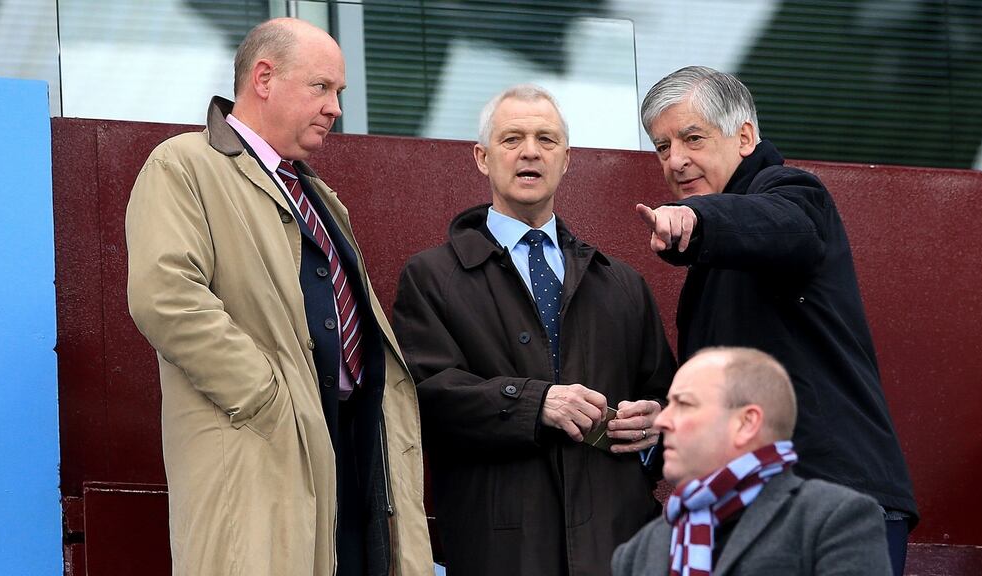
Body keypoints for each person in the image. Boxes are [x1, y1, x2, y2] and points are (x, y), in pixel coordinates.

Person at [125, 18, 432, 576]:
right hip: (263, 455)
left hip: (347, 455)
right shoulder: (184, 164)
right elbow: (166, 296)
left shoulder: (318, 195)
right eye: (322, 87)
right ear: (264, 77)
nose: (336, 107)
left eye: (339, 92)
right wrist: (271, 399)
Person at [634, 66, 916, 576]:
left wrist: (698, 222)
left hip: (831, 498)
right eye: (661, 147)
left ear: (744, 137)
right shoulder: (718, 254)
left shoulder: (790, 189)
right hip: (749, 510)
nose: (676, 160)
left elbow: (783, 227)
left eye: (692, 138)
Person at [392, 85, 676, 576]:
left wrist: (654, 429)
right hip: (501, 548)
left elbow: (669, 399)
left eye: (547, 139)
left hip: (616, 543)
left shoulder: (622, 284)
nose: (530, 151)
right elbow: (423, 397)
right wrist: (534, 403)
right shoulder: (432, 277)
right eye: (511, 139)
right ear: (482, 158)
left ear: (567, 159)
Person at [612, 347, 892, 576]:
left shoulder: (833, 520)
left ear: (747, 423)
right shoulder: (639, 550)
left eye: (684, 404)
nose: (662, 420)